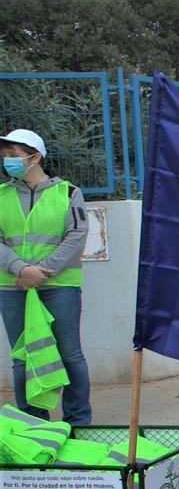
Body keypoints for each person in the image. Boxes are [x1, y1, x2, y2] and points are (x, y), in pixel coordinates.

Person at [0, 129, 91, 425]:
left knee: (69, 354)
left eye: (13, 155)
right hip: (13, 287)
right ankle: (33, 423)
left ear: (34, 157)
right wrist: (21, 269)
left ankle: (78, 423)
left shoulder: (68, 193)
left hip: (59, 287)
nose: (7, 160)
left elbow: (76, 236)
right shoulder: (1, 195)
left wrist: (41, 271)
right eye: (5, 155)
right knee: (23, 357)